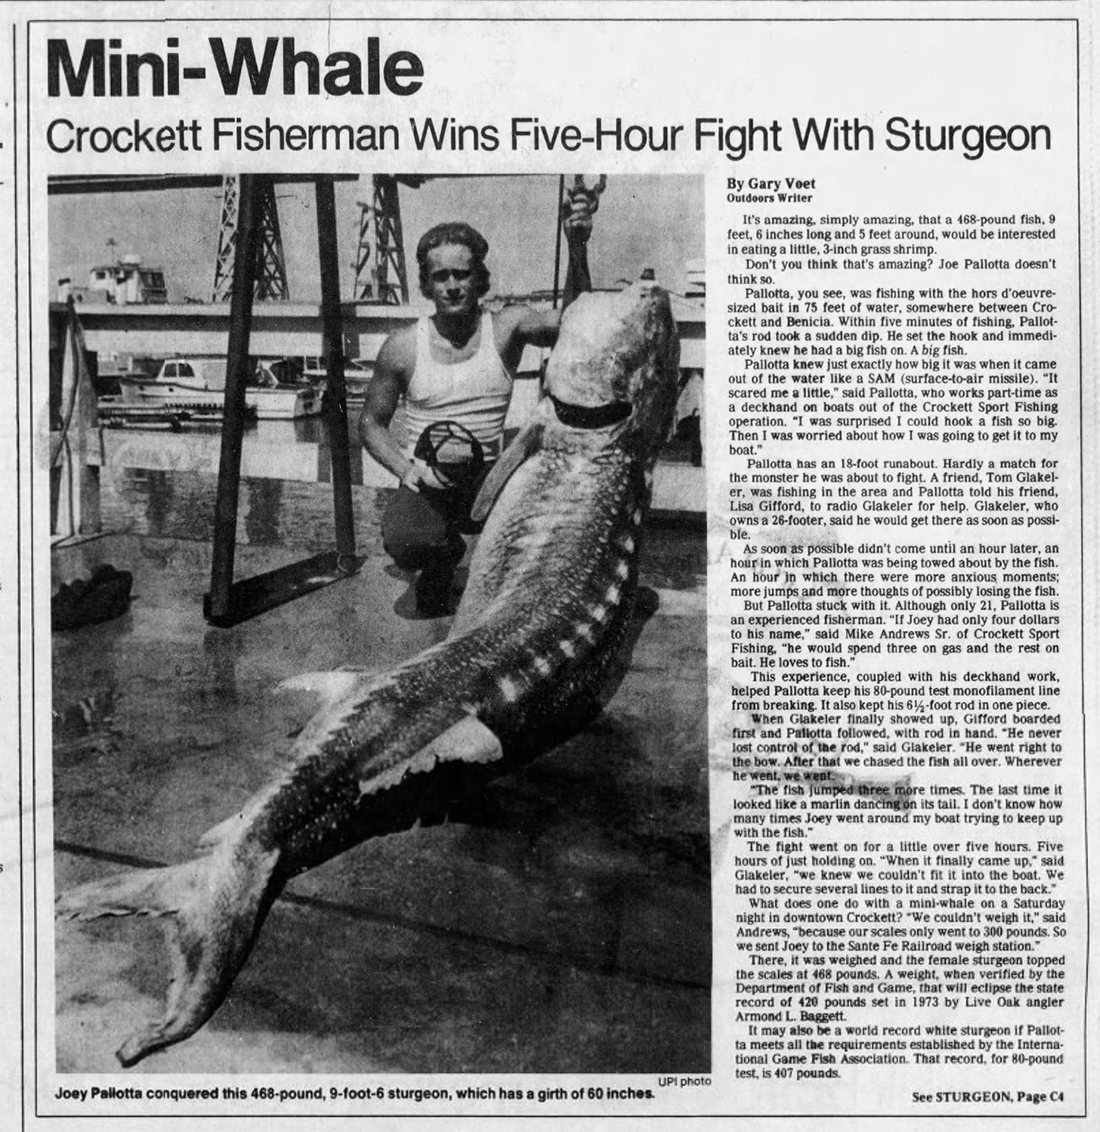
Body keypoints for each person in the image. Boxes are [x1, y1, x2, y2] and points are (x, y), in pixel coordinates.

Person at [359, 202, 594, 616]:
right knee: (408, 541)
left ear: (480, 280)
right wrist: (406, 471)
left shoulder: (507, 327)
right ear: (427, 286)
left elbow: (575, 324)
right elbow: (371, 425)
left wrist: (576, 246)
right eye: (440, 276)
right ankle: (440, 561)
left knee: (545, 530)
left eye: (462, 274)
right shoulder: (401, 346)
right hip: (427, 481)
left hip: (490, 477)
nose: (451, 285)